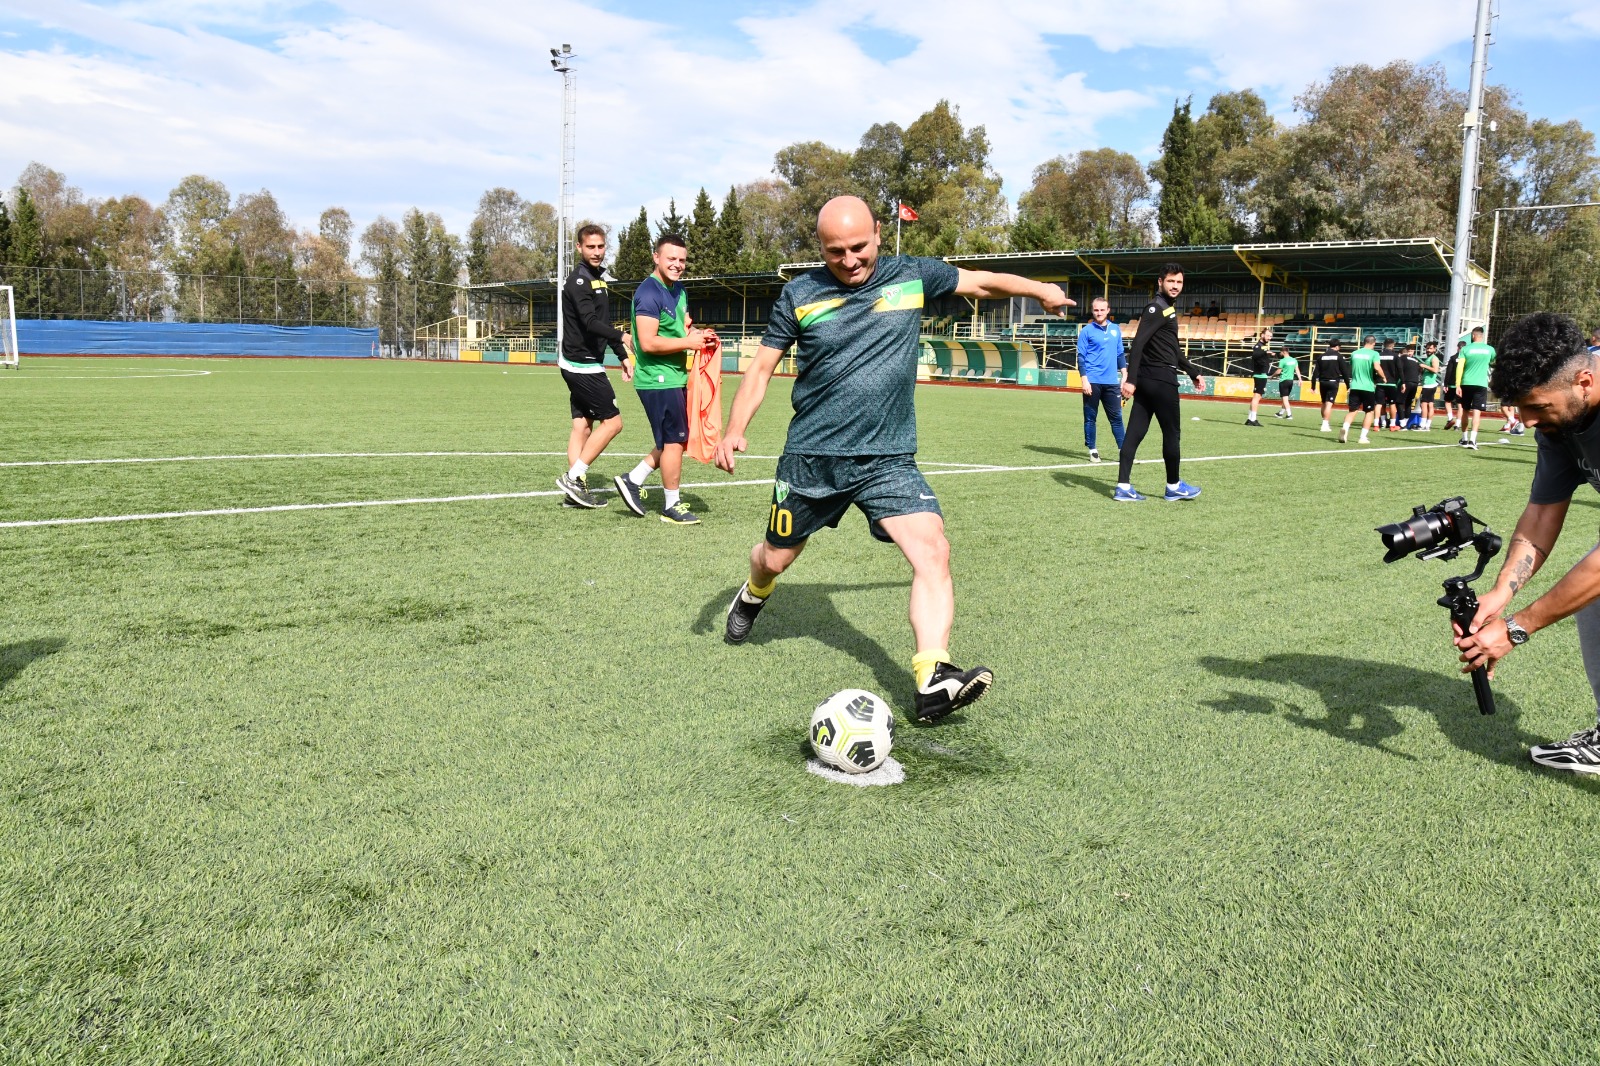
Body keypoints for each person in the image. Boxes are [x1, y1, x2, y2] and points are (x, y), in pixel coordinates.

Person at [715, 196, 1074, 722]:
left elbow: (979, 282)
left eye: (859, 246)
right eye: (835, 251)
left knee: (932, 549)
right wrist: (735, 429)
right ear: (820, 248)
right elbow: (762, 367)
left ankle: (933, 677)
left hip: (888, 458)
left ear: (879, 234)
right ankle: (754, 593)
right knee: (775, 556)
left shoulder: (913, 276)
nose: (850, 259)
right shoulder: (800, 293)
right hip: (812, 459)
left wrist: (1039, 288)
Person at [1455, 312, 1600, 773]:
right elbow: (1541, 513)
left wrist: (1517, 628)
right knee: (1595, 602)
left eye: (1538, 408)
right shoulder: (1560, 415)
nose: (1529, 421)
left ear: (1584, 381)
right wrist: (1503, 592)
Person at [615, 234, 714, 524]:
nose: (677, 265)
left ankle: (633, 480)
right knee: (674, 441)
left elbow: (677, 330)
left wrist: (697, 336)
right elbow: (646, 342)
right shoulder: (648, 293)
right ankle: (672, 505)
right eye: (671, 258)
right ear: (656, 258)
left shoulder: (679, 290)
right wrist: (688, 343)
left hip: (673, 376)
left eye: (682, 260)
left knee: (675, 439)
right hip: (657, 378)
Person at [553, 224, 634, 509]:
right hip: (581, 363)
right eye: (591, 247)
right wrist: (623, 337)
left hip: (582, 361)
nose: (597, 252)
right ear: (579, 248)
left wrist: (621, 355)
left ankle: (573, 495)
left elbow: (604, 324)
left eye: (600, 246)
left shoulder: (599, 279)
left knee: (582, 427)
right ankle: (575, 477)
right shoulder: (578, 281)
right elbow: (589, 323)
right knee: (613, 422)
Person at [1114, 263, 1207, 502]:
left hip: (1150, 380)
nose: (1175, 286)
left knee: (1134, 433)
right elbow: (1138, 344)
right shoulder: (1157, 308)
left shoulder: (1167, 309)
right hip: (1160, 380)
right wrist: (1130, 380)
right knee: (1171, 434)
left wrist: (1192, 371)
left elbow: (1172, 350)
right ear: (1160, 282)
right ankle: (1174, 486)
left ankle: (1123, 487)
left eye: (1179, 282)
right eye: (1171, 281)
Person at [1076, 296, 1126, 462]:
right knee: (1090, 417)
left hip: (1111, 381)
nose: (1099, 313)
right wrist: (1084, 380)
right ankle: (1093, 450)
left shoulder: (1116, 329)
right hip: (1092, 381)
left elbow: (1120, 354)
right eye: (1096, 310)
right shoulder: (1086, 331)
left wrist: (1124, 374)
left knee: (1117, 418)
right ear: (1093, 311)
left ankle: (1123, 451)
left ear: (1108, 310)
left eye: (1102, 310)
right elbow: (1081, 357)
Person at [1338, 336, 1384, 444]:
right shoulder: (1374, 354)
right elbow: (1377, 367)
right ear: (1374, 343)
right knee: (1369, 412)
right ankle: (1363, 437)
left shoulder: (1354, 353)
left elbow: (1352, 367)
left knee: (1353, 411)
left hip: (1354, 386)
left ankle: (1345, 427)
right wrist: (1383, 376)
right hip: (1367, 387)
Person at [1456, 325, 1496, 450]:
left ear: (1473, 336)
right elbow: (1494, 363)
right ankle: (1473, 440)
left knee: (1465, 411)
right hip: (1481, 384)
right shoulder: (1490, 349)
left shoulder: (1465, 349)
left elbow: (1460, 367)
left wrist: (1457, 384)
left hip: (1466, 383)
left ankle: (1464, 438)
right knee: (1477, 412)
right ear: (1482, 336)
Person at [1314, 339, 1348, 432]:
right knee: (1329, 403)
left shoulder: (1321, 356)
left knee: (1324, 403)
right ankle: (1325, 424)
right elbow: (1344, 372)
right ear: (1337, 347)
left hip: (1322, 382)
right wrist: (1348, 385)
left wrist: (1313, 386)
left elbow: (1315, 372)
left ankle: (1325, 422)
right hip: (1333, 382)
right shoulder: (1339, 356)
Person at [1245, 329, 1273, 427]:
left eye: (1270, 336)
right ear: (1262, 335)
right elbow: (1255, 355)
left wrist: (1267, 352)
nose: (1269, 338)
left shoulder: (1263, 346)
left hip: (1262, 374)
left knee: (1257, 396)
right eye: (1268, 335)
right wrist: (1265, 351)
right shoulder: (1258, 346)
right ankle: (1253, 419)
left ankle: (1250, 418)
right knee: (1257, 396)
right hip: (1260, 374)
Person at [1374, 338, 1400, 430]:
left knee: (1379, 404)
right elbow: (1399, 370)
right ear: (1393, 345)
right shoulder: (1395, 356)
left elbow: (1374, 368)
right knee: (1392, 404)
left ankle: (1377, 424)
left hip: (1380, 383)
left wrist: (1375, 380)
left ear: (1383, 344)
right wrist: (1402, 382)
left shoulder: (1378, 355)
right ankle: (1392, 425)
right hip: (1391, 383)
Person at [1417, 340, 1441, 431]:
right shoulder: (1429, 358)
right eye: (1427, 348)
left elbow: (1435, 370)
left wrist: (1424, 366)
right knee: (1430, 404)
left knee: (1424, 405)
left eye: (1430, 348)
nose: (1428, 350)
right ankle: (1427, 425)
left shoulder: (1434, 358)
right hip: (1429, 384)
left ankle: (1422, 425)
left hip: (1429, 385)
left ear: (1434, 349)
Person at [1398, 341, 1422, 429]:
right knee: (1408, 403)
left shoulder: (1403, 358)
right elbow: (1420, 371)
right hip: (1415, 383)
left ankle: (1402, 424)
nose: (1410, 353)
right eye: (1409, 351)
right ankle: (1406, 423)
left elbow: (1399, 369)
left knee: (1399, 402)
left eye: (1412, 351)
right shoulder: (1415, 361)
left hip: (1407, 382)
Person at [1441, 340, 1464, 430]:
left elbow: (1448, 372)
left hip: (1451, 384)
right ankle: (1457, 425)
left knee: (1447, 401)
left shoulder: (1453, 358)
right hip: (1462, 385)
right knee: (1460, 404)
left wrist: (1445, 384)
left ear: (1458, 347)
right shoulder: (1466, 358)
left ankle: (1450, 418)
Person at [1275, 346, 1302, 419]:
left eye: (1280, 352)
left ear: (1283, 352)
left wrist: (1271, 376)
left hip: (1283, 380)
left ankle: (1289, 414)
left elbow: (1278, 371)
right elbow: (1297, 370)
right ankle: (1280, 413)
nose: (1280, 353)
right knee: (1286, 397)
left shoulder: (1282, 360)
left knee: (1285, 398)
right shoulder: (1294, 360)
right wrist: (1300, 379)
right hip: (1290, 381)